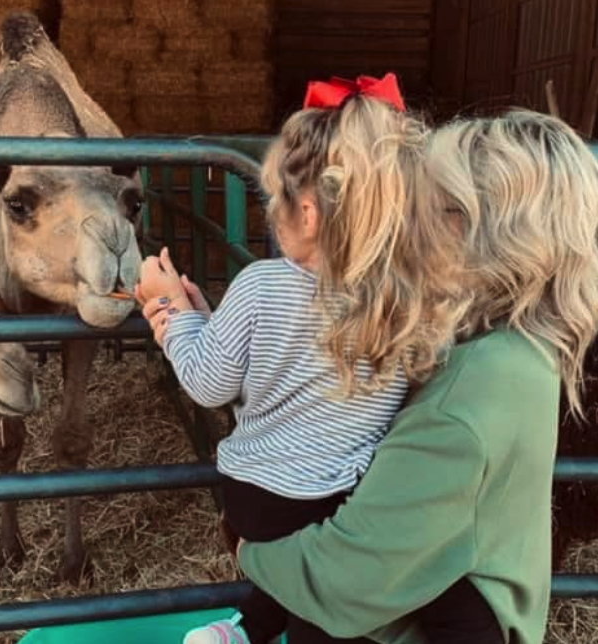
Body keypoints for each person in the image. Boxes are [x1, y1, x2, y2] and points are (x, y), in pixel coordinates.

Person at [226, 109, 598, 644]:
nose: (403, 222)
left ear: (476, 229)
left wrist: (250, 550)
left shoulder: (472, 395)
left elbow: (344, 579)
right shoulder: (526, 347)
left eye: (424, 206)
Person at [136, 73, 482, 644]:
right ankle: (250, 627)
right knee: (323, 584)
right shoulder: (411, 300)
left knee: (303, 589)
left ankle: (243, 632)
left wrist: (172, 311)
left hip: (259, 505)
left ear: (310, 211)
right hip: (349, 512)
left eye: (274, 198)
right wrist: (206, 317)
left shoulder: (260, 285)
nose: (270, 211)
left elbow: (207, 382)